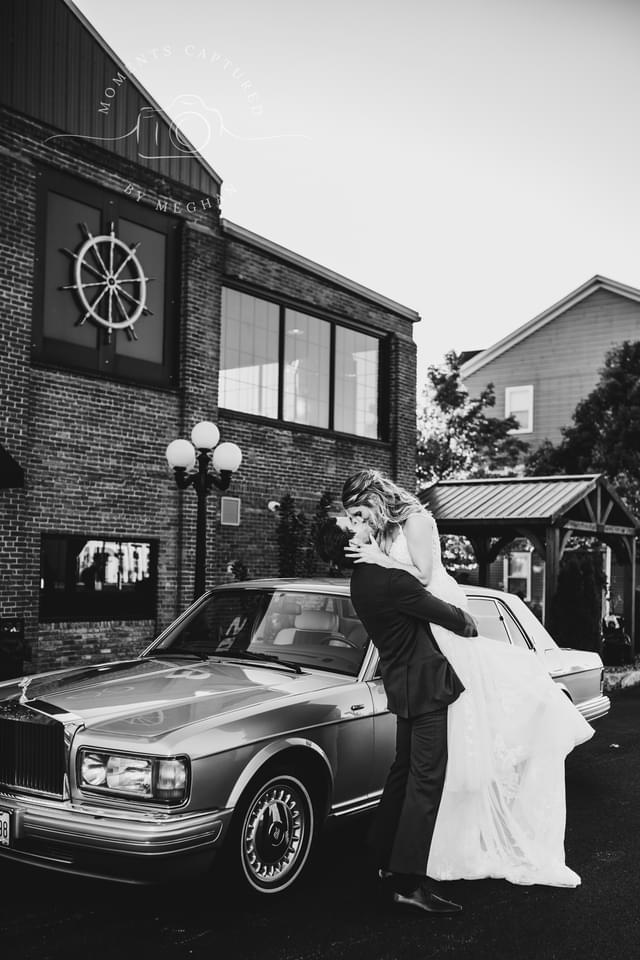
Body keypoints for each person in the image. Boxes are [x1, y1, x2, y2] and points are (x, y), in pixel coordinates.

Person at [342, 469, 595, 890]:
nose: (356, 522)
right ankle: (409, 867)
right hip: (423, 634)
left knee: (450, 740)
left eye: (358, 512)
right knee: (427, 764)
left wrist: (380, 559)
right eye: (351, 516)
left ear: (375, 497)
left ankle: (406, 858)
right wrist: (375, 554)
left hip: (437, 616)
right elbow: (398, 590)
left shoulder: (415, 521)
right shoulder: (381, 537)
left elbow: (424, 576)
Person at [315, 518, 478, 915]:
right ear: (352, 544)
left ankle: (382, 858)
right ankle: (408, 883)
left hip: (402, 686)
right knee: (426, 781)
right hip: (425, 688)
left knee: (403, 773)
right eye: (352, 524)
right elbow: (457, 620)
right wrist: (466, 620)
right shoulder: (390, 580)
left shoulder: (361, 581)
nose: (360, 522)